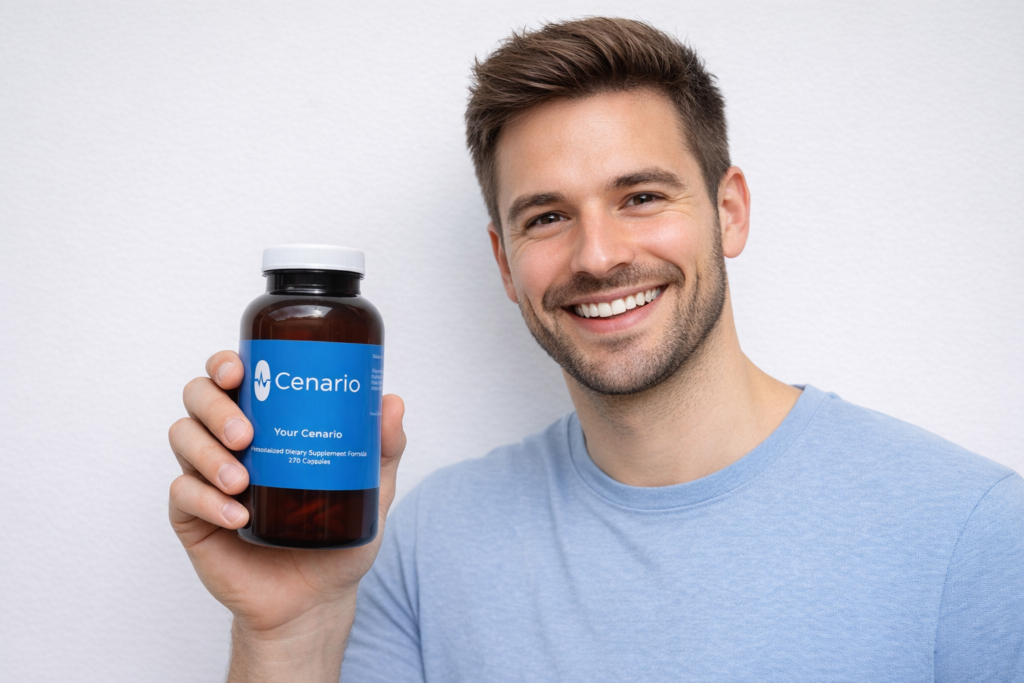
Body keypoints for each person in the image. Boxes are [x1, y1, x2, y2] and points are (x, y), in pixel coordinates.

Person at [168, 17, 1024, 682]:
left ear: (729, 211)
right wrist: (287, 631)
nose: (598, 255)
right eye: (546, 215)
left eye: (641, 196)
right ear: (505, 262)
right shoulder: (426, 541)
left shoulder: (975, 530)